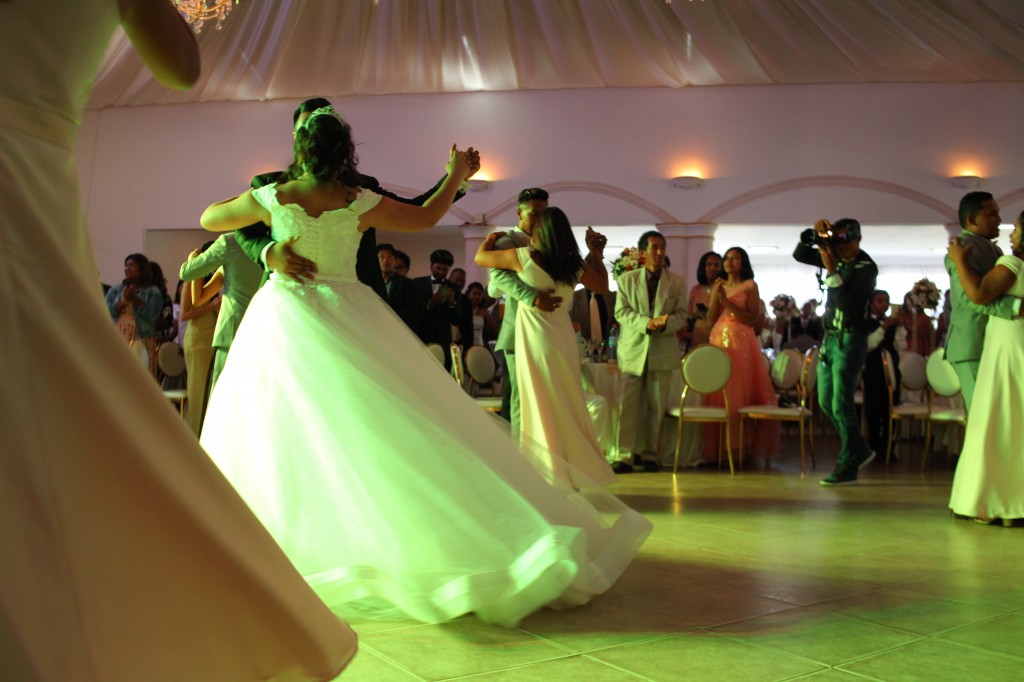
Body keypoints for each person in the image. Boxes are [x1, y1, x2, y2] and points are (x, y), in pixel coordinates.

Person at [0, 2, 357, 680]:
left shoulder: (347, 201)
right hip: (41, 186)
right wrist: (262, 245)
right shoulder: (269, 199)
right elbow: (182, 66)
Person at [199, 109, 650, 626]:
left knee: (277, 427)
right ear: (344, 151)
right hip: (351, 312)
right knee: (380, 426)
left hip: (286, 317)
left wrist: (269, 240)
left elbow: (212, 217)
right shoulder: (357, 200)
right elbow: (425, 216)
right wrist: (457, 174)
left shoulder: (274, 195)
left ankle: (297, 538)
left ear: (300, 149)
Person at [234, 97, 477, 299]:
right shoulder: (270, 185)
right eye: (306, 130)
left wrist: (457, 180)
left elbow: (415, 209)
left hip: (354, 295)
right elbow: (243, 230)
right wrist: (268, 252)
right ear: (295, 135)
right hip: (288, 298)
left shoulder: (361, 187)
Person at [476, 208, 617, 485]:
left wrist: (490, 238)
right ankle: (570, 470)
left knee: (538, 402)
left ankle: (545, 472)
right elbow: (602, 285)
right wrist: (596, 254)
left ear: (541, 233)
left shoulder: (526, 257)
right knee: (565, 401)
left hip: (536, 338)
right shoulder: (573, 264)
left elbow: (480, 257)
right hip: (563, 337)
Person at [947, 211, 1024, 524]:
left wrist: (958, 260)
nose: (1010, 230)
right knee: (1012, 417)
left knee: (996, 416)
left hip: (1006, 343)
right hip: (1014, 338)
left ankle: (994, 501)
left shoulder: (1012, 263)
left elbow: (976, 295)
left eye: (1017, 227)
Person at [794, 219, 878, 486]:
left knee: (841, 402)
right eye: (837, 242)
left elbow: (846, 301)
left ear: (859, 240)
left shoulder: (866, 267)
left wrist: (830, 266)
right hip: (830, 338)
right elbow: (799, 253)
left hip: (851, 338)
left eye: (846, 242)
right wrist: (819, 239)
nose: (841, 248)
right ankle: (859, 449)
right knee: (825, 401)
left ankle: (848, 464)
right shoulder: (832, 255)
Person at [488, 187, 563, 429]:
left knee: (544, 399)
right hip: (517, 329)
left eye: (544, 214)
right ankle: (518, 457)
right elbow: (498, 279)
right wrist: (532, 297)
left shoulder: (549, 245)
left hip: (546, 332)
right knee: (518, 398)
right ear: (519, 212)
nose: (539, 220)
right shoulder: (506, 241)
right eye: (534, 213)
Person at [615, 231, 688, 472]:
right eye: (654, 247)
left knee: (657, 407)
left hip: (663, 349)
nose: (659, 252)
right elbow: (621, 313)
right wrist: (647, 323)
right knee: (627, 405)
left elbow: (682, 315)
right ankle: (624, 455)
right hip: (633, 348)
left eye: (662, 247)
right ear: (642, 252)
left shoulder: (676, 282)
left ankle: (650, 455)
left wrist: (665, 324)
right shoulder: (627, 279)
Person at [944, 191, 1021, 411]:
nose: (998, 220)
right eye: (992, 214)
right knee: (982, 413)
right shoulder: (962, 249)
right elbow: (971, 298)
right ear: (971, 219)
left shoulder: (993, 248)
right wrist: (1015, 307)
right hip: (971, 343)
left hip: (989, 341)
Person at [704, 247, 780, 463]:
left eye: (734, 258)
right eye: (727, 258)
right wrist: (715, 299)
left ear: (743, 262)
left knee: (740, 391)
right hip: (719, 338)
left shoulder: (750, 286)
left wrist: (727, 303)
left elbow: (752, 319)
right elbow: (710, 319)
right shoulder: (719, 285)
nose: (729, 262)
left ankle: (740, 448)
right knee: (720, 391)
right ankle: (720, 449)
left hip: (741, 341)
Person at [178, 232, 262, 398]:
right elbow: (198, 300)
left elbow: (198, 298)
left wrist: (193, 263)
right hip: (259, 329)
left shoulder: (230, 246)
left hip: (231, 331)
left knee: (223, 394)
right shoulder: (267, 249)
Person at [179, 242, 222, 435]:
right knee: (197, 392)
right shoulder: (193, 277)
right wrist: (211, 305)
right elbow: (185, 313)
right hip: (197, 341)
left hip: (211, 338)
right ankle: (193, 436)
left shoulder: (216, 280)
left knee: (210, 393)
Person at [862, 290, 906, 458]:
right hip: (873, 371)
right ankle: (874, 445)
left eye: (886, 301)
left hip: (892, 371)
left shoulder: (892, 324)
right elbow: (869, 345)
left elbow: (900, 346)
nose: (884, 305)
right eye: (879, 301)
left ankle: (889, 446)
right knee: (874, 410)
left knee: (891, 408)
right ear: (872, 303)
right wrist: (883, 327)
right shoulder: (865, 322)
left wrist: (900, 326)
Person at [105, 253, 163, 378]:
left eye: (133, 265)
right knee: (120, 375)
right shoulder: (116, 289)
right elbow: (105, 310)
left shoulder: (153, 291)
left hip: (142, 337)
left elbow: (153, 314)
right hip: (120, 335)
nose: (128, 268)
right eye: (126, 265)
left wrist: (134, 299)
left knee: (141, 376)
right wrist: (122, 302)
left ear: (142, 269)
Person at [411, 248, 469, 368]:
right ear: (431, 266)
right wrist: (429, 304)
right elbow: (412, 313)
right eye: (438, 268)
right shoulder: (417, 283)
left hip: (443, 339)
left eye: (445, 269)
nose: (441, 272)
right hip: (420, 336)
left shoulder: (454, 288)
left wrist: (452, 303)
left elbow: (456, 320)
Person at [679, 250, 722, 350]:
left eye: (716, 265)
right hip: (700, 333)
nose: (712, 268)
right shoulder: (696, 289)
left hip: (719, 332)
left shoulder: (723, 288)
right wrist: (696, 314)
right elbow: (688, 313)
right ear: (703, 267)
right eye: (709, 264)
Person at [377, 242, 417, 328]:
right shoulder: (370, 284)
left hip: (397, 327)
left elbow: (413, 312)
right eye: (381, 257)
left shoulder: (406, 283)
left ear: (394, 261)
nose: (385, 260)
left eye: (389, 257)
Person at [466, 281, 500, 346]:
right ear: (468, 294)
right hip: (465, 344)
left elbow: (496, 329)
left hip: (479, 345)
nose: (477, 297)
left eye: (479, 295)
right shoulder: (462, 309)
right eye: (474, 294)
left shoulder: (484, 312)